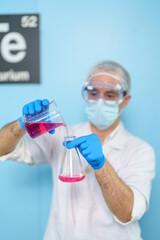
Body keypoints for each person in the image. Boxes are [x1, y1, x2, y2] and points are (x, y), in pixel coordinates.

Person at [0, 60, 155, 240]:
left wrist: (101, 165)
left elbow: (127, 212)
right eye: (93, 93)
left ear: (125, 100)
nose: (100, 101)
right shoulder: (63, 135)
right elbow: (2, 148)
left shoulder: (140, 150)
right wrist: (23, 124)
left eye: (110, 95)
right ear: (85, 95)